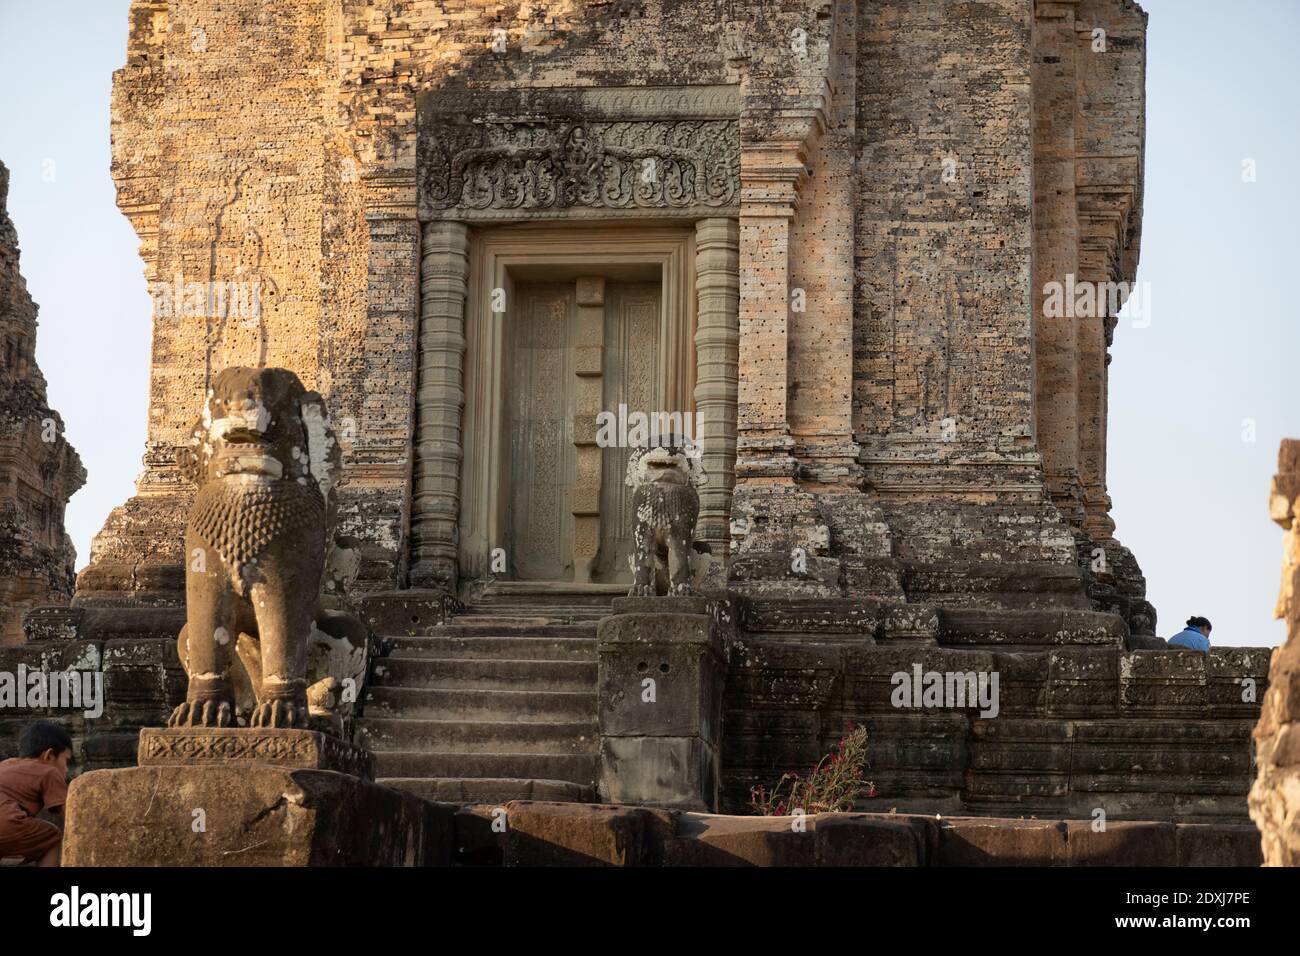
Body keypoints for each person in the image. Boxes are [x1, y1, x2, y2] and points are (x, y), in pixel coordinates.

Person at [0, 721, 72, 867]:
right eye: (66, 761)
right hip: (6, 823)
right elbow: (70, 814)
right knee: (52, 837)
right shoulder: (48, 771)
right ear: (49, 755)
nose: (67, 770)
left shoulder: (5, 764)